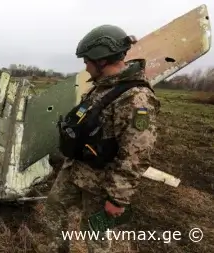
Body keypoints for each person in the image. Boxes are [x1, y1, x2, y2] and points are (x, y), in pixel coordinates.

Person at [36, 25, 161, 253]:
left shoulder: (136, 99)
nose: (85, 66)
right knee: (54, 207)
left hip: (103, 183)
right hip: (77, 170)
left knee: (96, 237)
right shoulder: (101, 88)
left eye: (87, 61)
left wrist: (117, 198)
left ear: (101, 60)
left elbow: (137, 154)